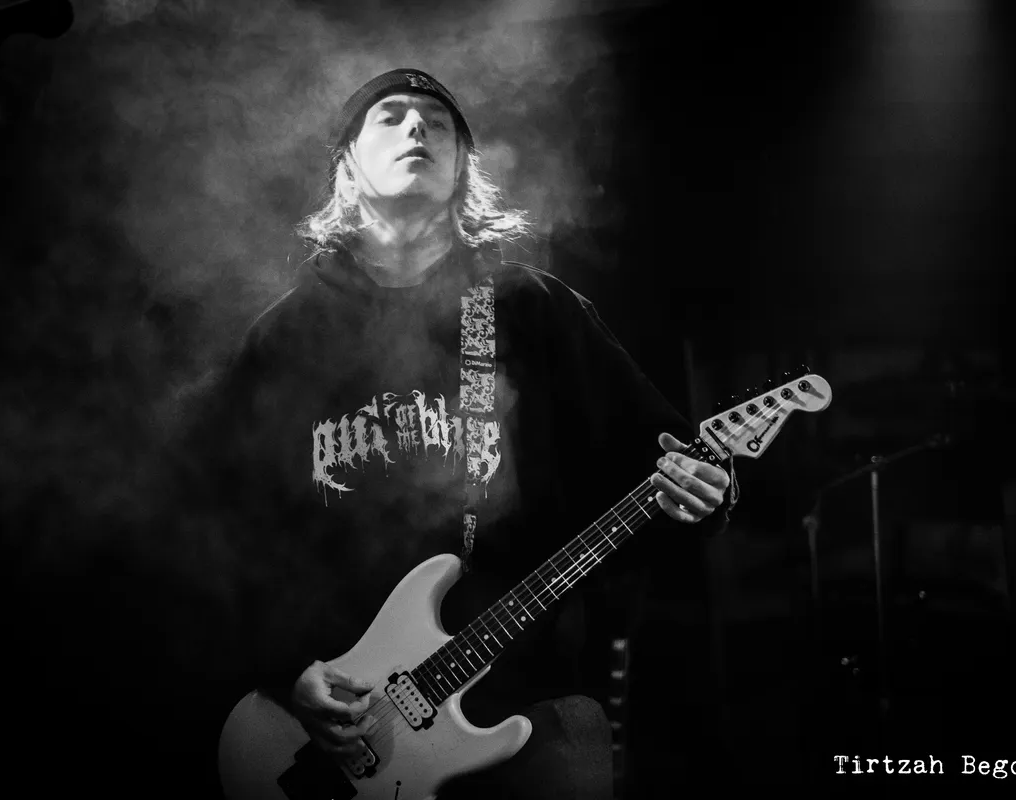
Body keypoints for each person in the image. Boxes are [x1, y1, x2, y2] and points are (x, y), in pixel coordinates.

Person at [169, 67, 737, 799]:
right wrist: (286, 672)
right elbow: (219, 532)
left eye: (438, 122)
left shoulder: (535, 311)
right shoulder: (286, 338)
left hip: (527, 703)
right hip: (338, 723)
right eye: (391, 116)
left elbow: (661, 461)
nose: (417, 127)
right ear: (347, 164)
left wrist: (707, 490)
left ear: (464, 167)